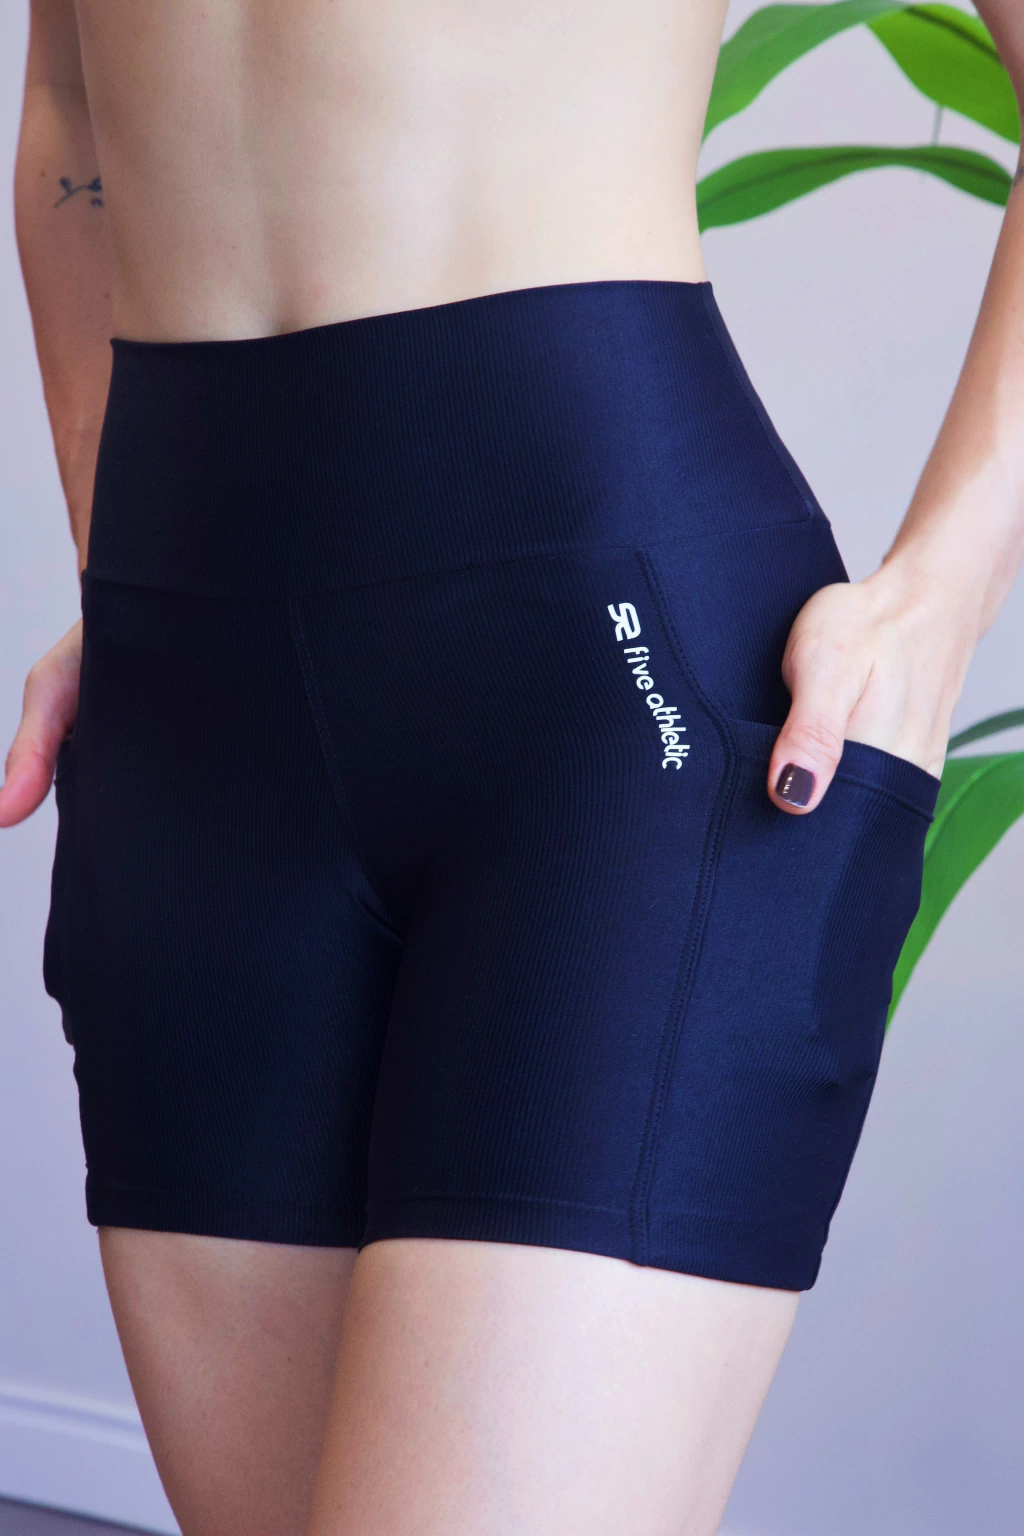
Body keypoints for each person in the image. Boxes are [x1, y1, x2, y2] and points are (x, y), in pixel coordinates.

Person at [2, 1, 1022, 1531]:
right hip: (191, 690)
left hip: (608, 715)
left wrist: (940, 598)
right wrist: (113, 571)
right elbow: (72, 112)